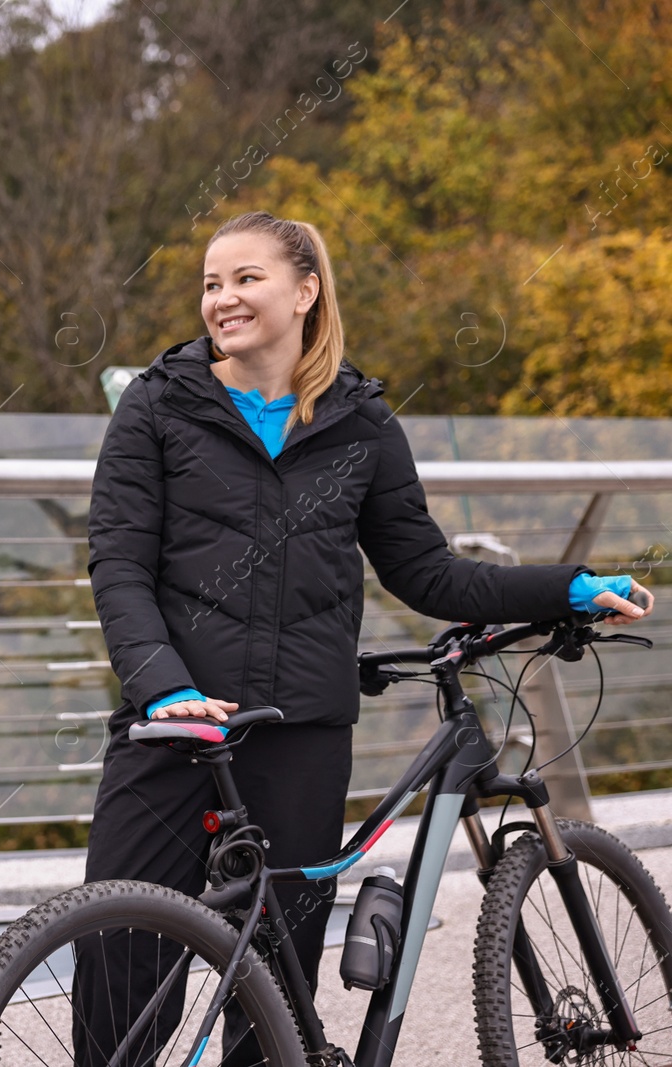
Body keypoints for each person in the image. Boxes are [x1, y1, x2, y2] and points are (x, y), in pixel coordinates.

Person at [74, 209, 654, 1065]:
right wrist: (163, 686)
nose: (222, 298)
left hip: (300, 733)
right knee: (117, 978)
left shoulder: (362, 422)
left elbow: (428, 573)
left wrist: (566, 588)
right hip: (173, 726)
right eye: (210, 282)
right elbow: (118, 565)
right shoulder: (159, 407)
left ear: (305, 290)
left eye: (245, 278)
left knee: (275, 996)